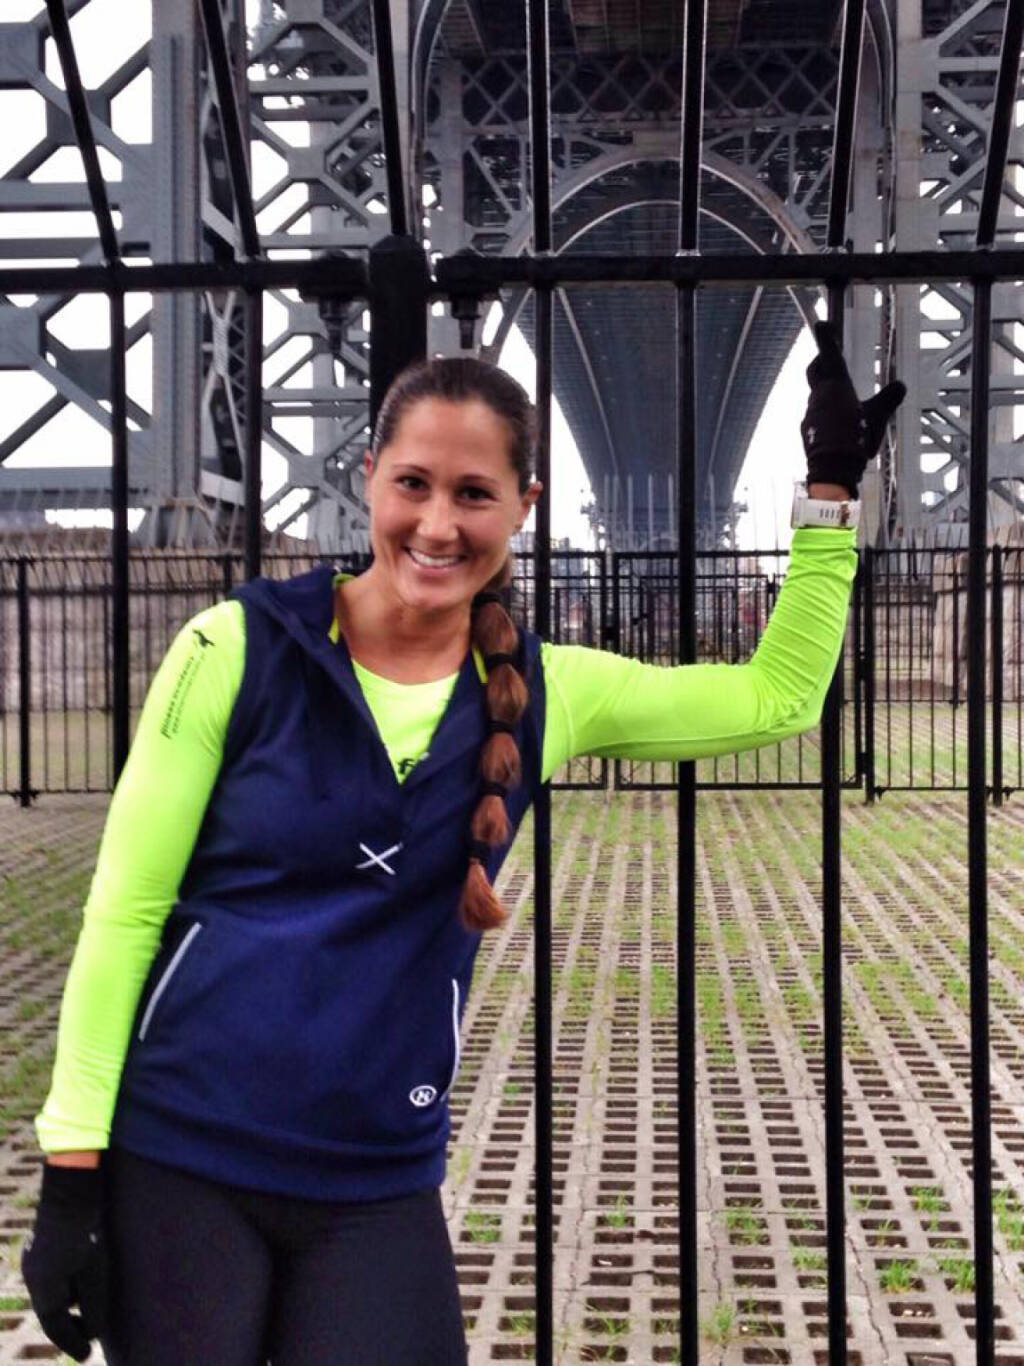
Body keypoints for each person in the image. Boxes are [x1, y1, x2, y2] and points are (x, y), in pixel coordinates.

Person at [20, 323, 903, 1365]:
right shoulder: (230, 648)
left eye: (474, 493)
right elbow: (124, 914)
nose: (437, 524)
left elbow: (778, 698)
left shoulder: (551, 691)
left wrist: (829, 496)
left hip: (375, 1179)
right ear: (369, 478)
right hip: (181, 1157)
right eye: (413, 484)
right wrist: (69, 1170)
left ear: (523, 506)